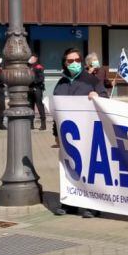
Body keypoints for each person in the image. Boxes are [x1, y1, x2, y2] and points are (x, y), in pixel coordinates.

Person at [51, 48, 100, 218]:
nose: (74, 63)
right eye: (70, 61)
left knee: (88, 170)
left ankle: (92, 205)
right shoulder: (61, 83)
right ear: (64, 63)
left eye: (77, 60)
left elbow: (105, 99)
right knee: (68, 169)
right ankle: (69, 203)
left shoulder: (91, 80)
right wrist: (55, 133)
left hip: (88, 133)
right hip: (68, 136)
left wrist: (97, 96)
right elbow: (57, 111)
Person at [28, 54, 46, 131]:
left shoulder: (39, 67)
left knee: (39, 106)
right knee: (30, 106)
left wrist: (33, 81)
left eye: (31, 58)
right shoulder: (28, 67)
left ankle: (43, 124)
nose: (30, 59)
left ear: (35, 58)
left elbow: (41, 78)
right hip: (30, 89)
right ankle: (31, 124)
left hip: (37, 89)